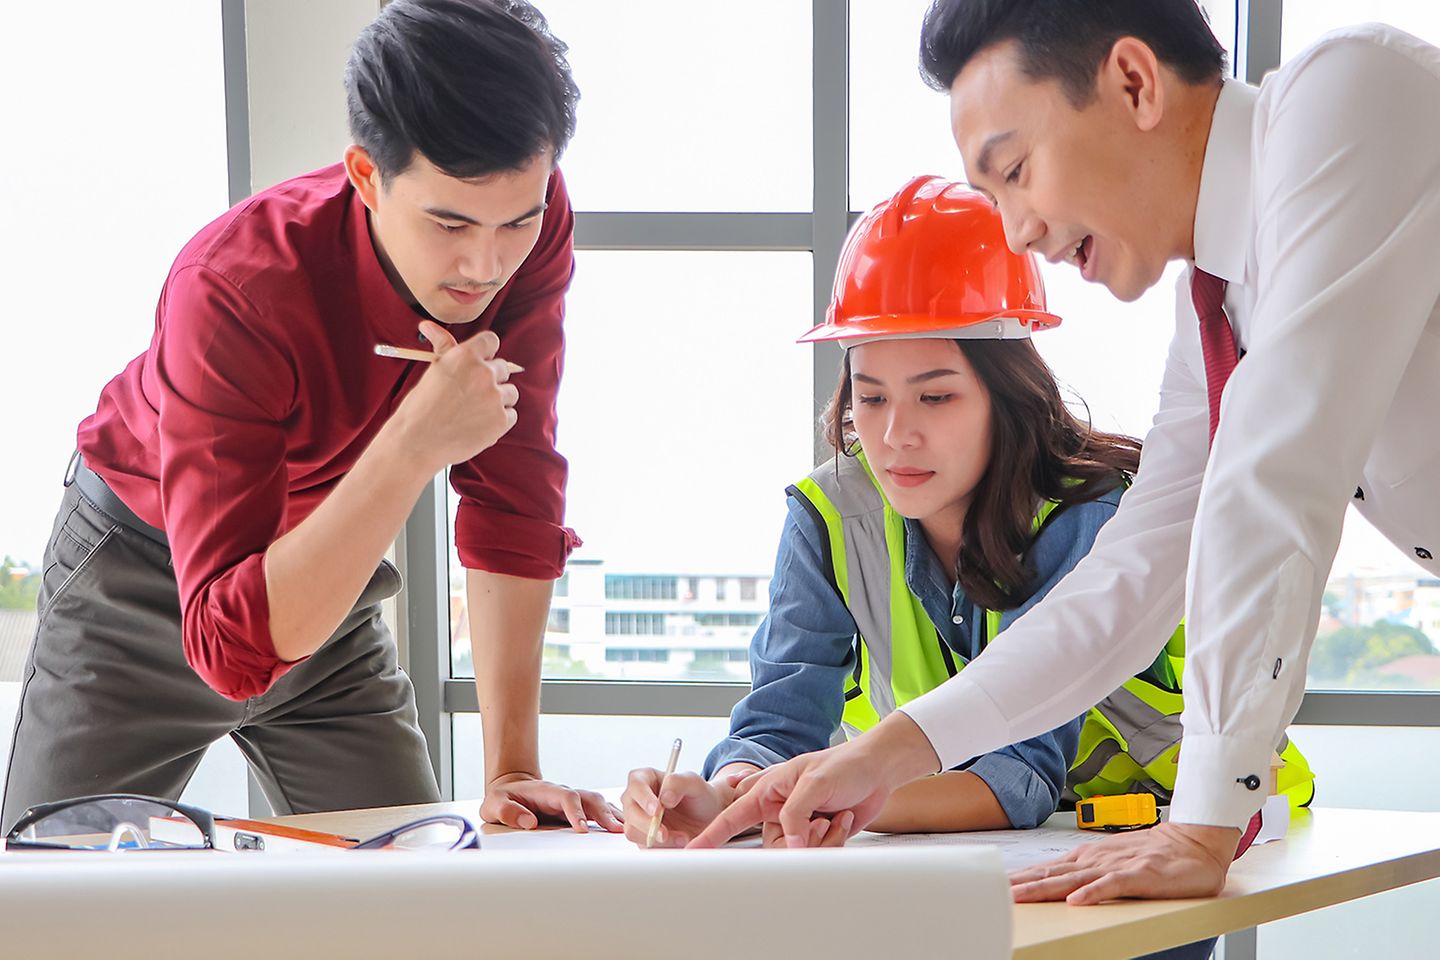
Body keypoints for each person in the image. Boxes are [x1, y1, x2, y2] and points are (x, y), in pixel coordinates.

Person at [694, 0, 1440, 908]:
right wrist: (880, 759)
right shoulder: (1217, 300)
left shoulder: (1347, 100)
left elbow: (1274, 489)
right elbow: (1132, 576)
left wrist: (1203, 821)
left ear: (1133, 81)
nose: (1016, 231)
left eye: (1015, 171)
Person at [2, 0, 621, 836]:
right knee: (52, 897)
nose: (488, 262)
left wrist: (512, 768)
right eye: (449, 222)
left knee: (410, 892)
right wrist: (411, 446)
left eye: (520, 218)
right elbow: (229, 644)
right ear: (367, 175)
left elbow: (513, 489)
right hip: (140, 579)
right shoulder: (235, 289)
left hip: (325, 580)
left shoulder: (525, 233)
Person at [625, 180, 1311, 878]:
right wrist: (726, 792)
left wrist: (832, 796)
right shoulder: (829, 517)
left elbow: (1021, 777)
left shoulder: (1087, 514)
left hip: (1175, 835)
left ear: (1006, 395)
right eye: (870, 397)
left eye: (936, 396)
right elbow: (779, 722)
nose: (895, 435)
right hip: (959, 855)